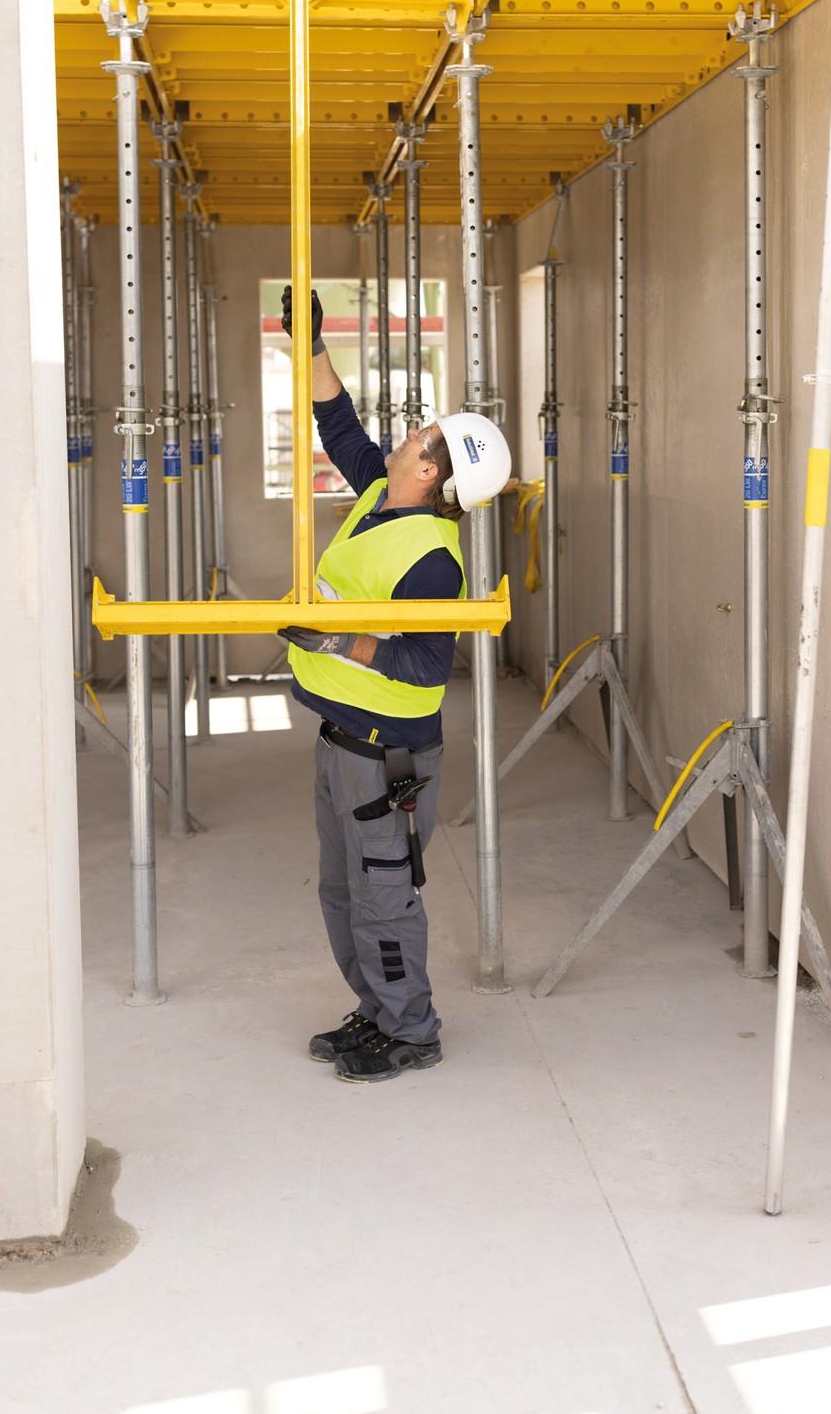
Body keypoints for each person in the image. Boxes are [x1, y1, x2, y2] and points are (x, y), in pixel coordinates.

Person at [279, 286, 511, 1084]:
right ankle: (376, 1010)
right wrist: (306, 343)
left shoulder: (431, 560)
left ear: (431, 471)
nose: (408, 433)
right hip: (344, 737)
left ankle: (411, 1029)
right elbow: (339, 427)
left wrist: (340, 636)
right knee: (342, 891)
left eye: (422, 435)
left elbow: (424, 665)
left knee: (384, 898)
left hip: (388, 755)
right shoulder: (385, 494)